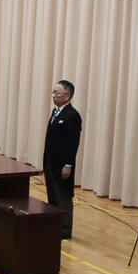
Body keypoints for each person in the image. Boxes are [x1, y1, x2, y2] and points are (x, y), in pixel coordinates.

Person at [43, 80, 82, 240]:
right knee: (52, 194)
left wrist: (68, 164)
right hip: (50, 162)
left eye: (56, 93)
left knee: (63, 196)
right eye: (53, 92)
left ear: (66, 96)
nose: (53, 95)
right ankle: (54, 224)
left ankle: (64, 230)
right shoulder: (55, 112)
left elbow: (73, 143)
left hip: (62, 164)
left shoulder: (72, 115)